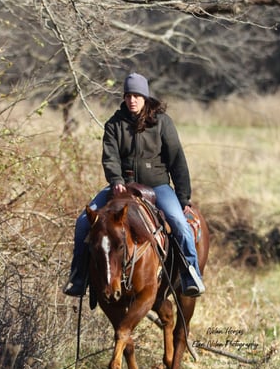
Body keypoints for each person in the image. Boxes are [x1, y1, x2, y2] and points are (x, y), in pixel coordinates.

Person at [63, 72, 206, 298]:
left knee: (179, 222)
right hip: (123, 187)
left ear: (145, 97)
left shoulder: (163, 123)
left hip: (158, 186)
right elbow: (110, 157)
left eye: (137, 96)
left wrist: (183, 197)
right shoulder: (114, 124)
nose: (132, 100)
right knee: (83, 222)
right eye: (128, 96)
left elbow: (177, 160)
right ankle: (78, 277)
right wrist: (116, 181)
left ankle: (191, 274)